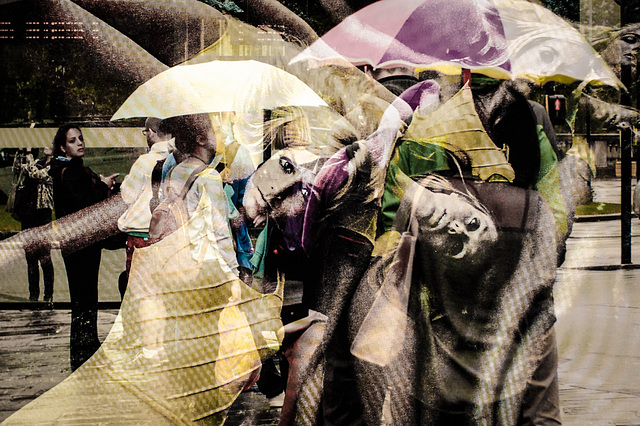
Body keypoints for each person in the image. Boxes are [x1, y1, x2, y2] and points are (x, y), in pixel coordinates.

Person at [49, 124, 119, 371]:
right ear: (62, 147)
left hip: (80, 244)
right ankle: (83, 353)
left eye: (80, 138)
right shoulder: (68, 172)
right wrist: (103, 186)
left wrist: (101, 184)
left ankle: (87, 348)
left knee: (86, 298)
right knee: (84, 298)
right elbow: (86, 204)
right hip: (80, 246)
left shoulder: (72, 170)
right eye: (72, 140)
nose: (80, 143)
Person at [117, 117, 174, 299]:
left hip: (141, 234)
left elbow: (127, 195)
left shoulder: (144, 161)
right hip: (168, 235)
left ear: (151, 132)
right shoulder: (180, 160)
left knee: (139, 292)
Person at [12, 147, 55, 303]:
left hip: (43, 216)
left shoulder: (54, 166)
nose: (45, 146)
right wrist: (21, 153)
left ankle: (48, 295)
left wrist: (29, 154)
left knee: (44, 257)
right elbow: (18, 169)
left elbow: (35, 174)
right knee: (30, 258)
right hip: (28, 215)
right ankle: (33, 296)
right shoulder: (37, 162)